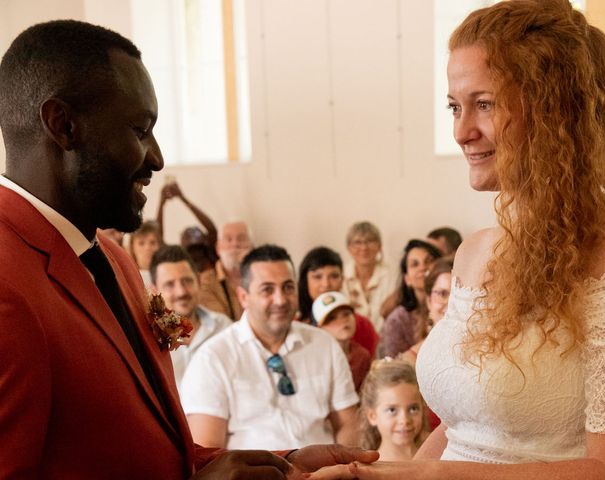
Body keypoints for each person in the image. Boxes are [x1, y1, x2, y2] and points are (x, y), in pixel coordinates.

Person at [0, 19, 376, 479]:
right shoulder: (7, 280)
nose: (157, 157)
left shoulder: (113, 259)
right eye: (140, 130)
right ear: (64, 125)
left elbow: (141, 446)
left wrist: (280, 465)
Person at [309, 1, 605, 479]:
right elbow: (467, 425)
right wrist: (373, 473)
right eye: (454, 106)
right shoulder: (474, 252)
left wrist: (431, 476)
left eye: (484, 104)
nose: (461, 131)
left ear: (551, 111)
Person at [181, 245, 360, 450]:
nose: (280, 299)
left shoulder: (324, 345)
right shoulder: (213, 358)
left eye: (288, 287)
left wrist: (343, 468)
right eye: (267, 289)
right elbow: (207, 451)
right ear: (243, 297)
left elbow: (348, 424)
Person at [150, 245, 232, 388]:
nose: (181, 292)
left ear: (199, 281)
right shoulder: (147, 338)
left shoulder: (224, 328)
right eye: (170, 284)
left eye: (187, 281)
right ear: (155, 290)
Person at [298, 246, 379, 357]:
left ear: (342, 280)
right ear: (305, 281)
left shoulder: (363, 326)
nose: (326, 284)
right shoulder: (295, 327)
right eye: (317, 277)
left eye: (334, 276)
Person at [382, 240, 443, 357]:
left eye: (429, 261)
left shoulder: (453, 308)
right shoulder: (397, 320)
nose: (423, 267)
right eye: (415, 264)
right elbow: (396, 368)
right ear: (407, 279)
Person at [359, 359, 425, 462]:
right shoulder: (368, 471)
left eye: (413, 409)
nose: (405, 420)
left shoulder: (436, 458)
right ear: (372, 416)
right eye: (392, 410)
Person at [397, 258, 453, 366]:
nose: (451, 304)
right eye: (442, 294)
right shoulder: (410, 360)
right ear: (429, 301)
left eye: (457, 294)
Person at [342, 221, 396, 333]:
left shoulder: (393, 276)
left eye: (370, 241)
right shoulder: (340, 276)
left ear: (380, 246)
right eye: (357, 242)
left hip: (384, 342)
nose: (364, 247)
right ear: (349, 247)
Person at [313, 291, 372, 391]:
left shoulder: (362, 356)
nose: (343, 321)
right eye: (332, 318)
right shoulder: (315, 359)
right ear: (320, 328)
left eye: (346, 314)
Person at [157, 179, 219, 272]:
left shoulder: (210, 253)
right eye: (187, 233)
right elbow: (157, 238)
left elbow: (212, 229)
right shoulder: (178, 257)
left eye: (195, 231)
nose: (192, 233)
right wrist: (162, 204)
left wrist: (183, 198)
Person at [198, 220, 252, 320]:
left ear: (251, 247)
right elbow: (220, 326)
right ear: (218, 248)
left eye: (241, 239)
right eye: (228, 239)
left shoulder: (263, 277)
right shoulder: (205, 283)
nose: (235, 244)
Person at [128, 219, 162, 287]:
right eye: (141, 243)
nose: (147, 248)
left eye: (152, 243)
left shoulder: (166, 274)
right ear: (132, 247)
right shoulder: (127, 276)